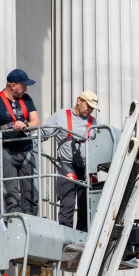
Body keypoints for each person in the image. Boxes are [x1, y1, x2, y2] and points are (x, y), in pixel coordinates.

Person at [0, 69, 41, 215]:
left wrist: (26, 125)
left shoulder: (27, 99)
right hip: (6, 152)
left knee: (32, 194)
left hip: (26, 151)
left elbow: (36, 121)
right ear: (13, 85)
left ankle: (32, 227)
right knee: (11, 196)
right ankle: (15, 229)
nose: (25, 89)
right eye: (23, 86)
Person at [42, 91, 100, 231]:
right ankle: (66, 239)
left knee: (87, 206)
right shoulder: (61, 116)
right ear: (79, 100)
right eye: (88, 105)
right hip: (67, 165)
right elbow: (42, 133)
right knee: (67, 203)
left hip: (87, 167)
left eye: (92, 108)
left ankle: (82, 240)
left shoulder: (94, 122)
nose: (90, 110)